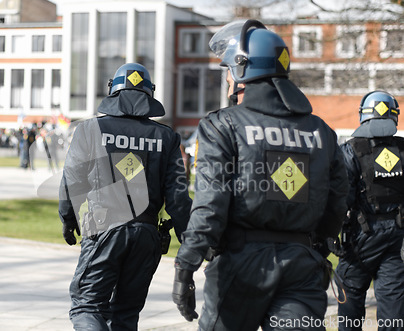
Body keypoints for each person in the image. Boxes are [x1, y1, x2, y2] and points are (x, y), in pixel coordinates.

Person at [172, 19, 349, 330]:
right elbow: (337, 202)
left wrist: (186, 265)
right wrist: (317, 245)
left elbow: (210, 205)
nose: (226, 77)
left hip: (241, 266)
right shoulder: (322, 132)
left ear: (242, 70)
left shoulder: (222, 125)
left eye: (227, 68)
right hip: (303, 264)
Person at [59, 63, 192, 330]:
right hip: (145, 234)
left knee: (87, 306)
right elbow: (178, 196)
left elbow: (73, 182)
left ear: (113, 91)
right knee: (126, 314)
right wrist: (189, 240)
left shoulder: (89, 130)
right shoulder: (166, 137)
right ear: (149, 95)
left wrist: (68, 218)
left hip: (104, 228)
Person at [335, 90, 404, 330]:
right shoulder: (402, 149)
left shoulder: (351, 150)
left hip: (360, 239)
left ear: (363, 116)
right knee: (393, 302)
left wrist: (329, 234)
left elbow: (340, 199)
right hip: (396, 238)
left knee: (349, 295)